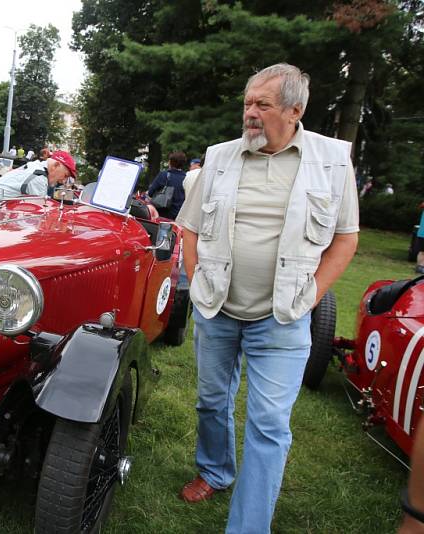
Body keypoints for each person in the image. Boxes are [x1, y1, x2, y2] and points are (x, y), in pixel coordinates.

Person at [175, 63, 359, 533]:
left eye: (262, 105)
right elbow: (189, 228)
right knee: (211, 401)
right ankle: (216, 470)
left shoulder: (333, 159)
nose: (249, 114)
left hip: (283, 318)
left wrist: (313, 294)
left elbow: (345, 238)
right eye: (247, 104)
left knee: (269, 427)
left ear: (296, 110)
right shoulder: (220, 156)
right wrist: (197, 283)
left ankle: (248, 527)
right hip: (217, 308)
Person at [0, 150, 76, 216]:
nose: (63, 181)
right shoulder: (39, 178)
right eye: (65, 175)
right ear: (56, 165)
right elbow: (39, 213)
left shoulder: (36, 166)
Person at [147, 151, 187, 220]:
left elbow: (150, 193)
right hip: (178, 215)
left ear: (170, 162)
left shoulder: (164, 175)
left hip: (161, 214)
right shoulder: (186, 177)